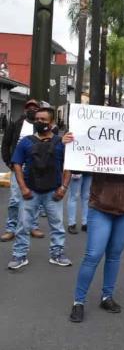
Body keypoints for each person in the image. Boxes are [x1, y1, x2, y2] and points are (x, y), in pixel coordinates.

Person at [69, 166, 124, 323]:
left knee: (114, 255)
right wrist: (70, 145)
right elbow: (76, 166)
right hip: (101, 207)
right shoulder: (100, 144)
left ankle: (107, 296)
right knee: (93, 255)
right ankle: (78, 302)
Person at [7, 107, 72, 270]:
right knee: (23, 225)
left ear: (52, 123)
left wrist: (63, 187)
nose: (39, 122)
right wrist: (23, 188)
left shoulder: (61, 142)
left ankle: (57, 253)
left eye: (43, 119)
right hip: (31, 191)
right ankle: (19, 255)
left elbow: (68, 166)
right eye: (37, 119)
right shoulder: (26, 142)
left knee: (57, 225)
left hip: (53, 191)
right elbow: (17, 165)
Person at [1, 98, 44, 242]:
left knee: (35, 199)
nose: (32, 110)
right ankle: (11, 228)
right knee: (14, 199)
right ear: (25, 110)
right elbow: (5, 144)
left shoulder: (42, 126)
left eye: (35, 108)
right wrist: (9, 162)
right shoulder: (16, 124)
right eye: (29, 108)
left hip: (36, 169)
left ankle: (33, 226)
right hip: (18, 167)